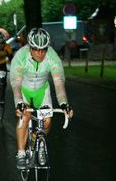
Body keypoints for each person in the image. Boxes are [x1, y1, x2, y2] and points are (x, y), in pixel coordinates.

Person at [10, 27, 73, 169]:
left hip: (42, 90)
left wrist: (64, 104)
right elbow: (16, 84)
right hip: (24, 89)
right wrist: (19, 102)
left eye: (44, 49)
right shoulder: (20, 56)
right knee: (24, 116)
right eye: (36, 49)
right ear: (30, 47)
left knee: (47, 120)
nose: (40, 53)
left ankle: (40, 143)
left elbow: (58, 82)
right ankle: (21, 153)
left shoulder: (52, 57)